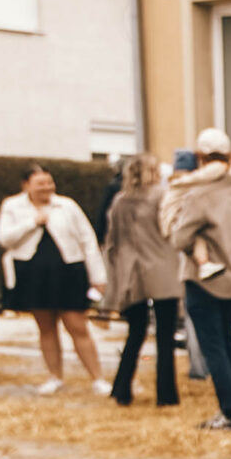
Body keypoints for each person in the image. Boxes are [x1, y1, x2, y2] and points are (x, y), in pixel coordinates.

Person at [165, 129, 231, 429]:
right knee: (228, 342)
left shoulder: (201, 193)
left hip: (204, 279)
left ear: (200, 157)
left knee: (213, 346)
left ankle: (228, 412)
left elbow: (179, 238)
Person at [0, 165, 109, 395]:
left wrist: (98, 276)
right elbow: (4, 238)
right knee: (46, 328)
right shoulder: (12, 206)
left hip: (68, 272)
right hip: (33, 274)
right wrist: (32, 222)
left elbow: (87, 240)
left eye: (49, 182)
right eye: (40, 183)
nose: (47, 187)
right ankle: (55, 377)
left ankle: (97, 378)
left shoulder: (67, 205)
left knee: (77, 325)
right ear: (26, 185)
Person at [102, 156, 180, 408]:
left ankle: (121, 388)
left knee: (135, 332)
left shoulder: (120, 200)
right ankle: (166, 395)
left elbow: (111, 240)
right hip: (161, 267)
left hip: (129, 271)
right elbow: (172, 229)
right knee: (165, 335)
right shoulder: (162, 195)